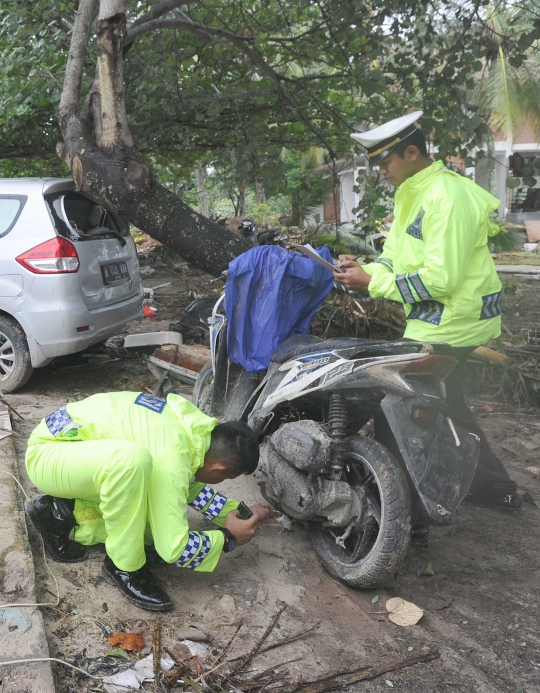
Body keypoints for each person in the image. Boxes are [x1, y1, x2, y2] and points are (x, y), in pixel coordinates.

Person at [335, 110, 520, 524]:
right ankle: (493, 488)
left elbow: (441, 278)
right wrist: (361, 271)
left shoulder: (446, 197)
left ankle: (406, 509)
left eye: (386, 162)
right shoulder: (412, 192)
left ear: (413, 152)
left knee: (405, 403)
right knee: (446, 404)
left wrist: (374, 284)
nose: (382, 172)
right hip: (435, 319)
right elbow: (394, 260)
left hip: (454, 320)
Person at [25, 391, 279, 611]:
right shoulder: (173, 454)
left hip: (72, 447)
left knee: (140, 483)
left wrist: (240, 514)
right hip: (47, 454)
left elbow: (186, 486)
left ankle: (60, 511)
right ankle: (124, 566)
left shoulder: (193, 431)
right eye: (226, 478)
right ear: (219, 467)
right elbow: (175, 548)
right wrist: (228, 538)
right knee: (132, 464)